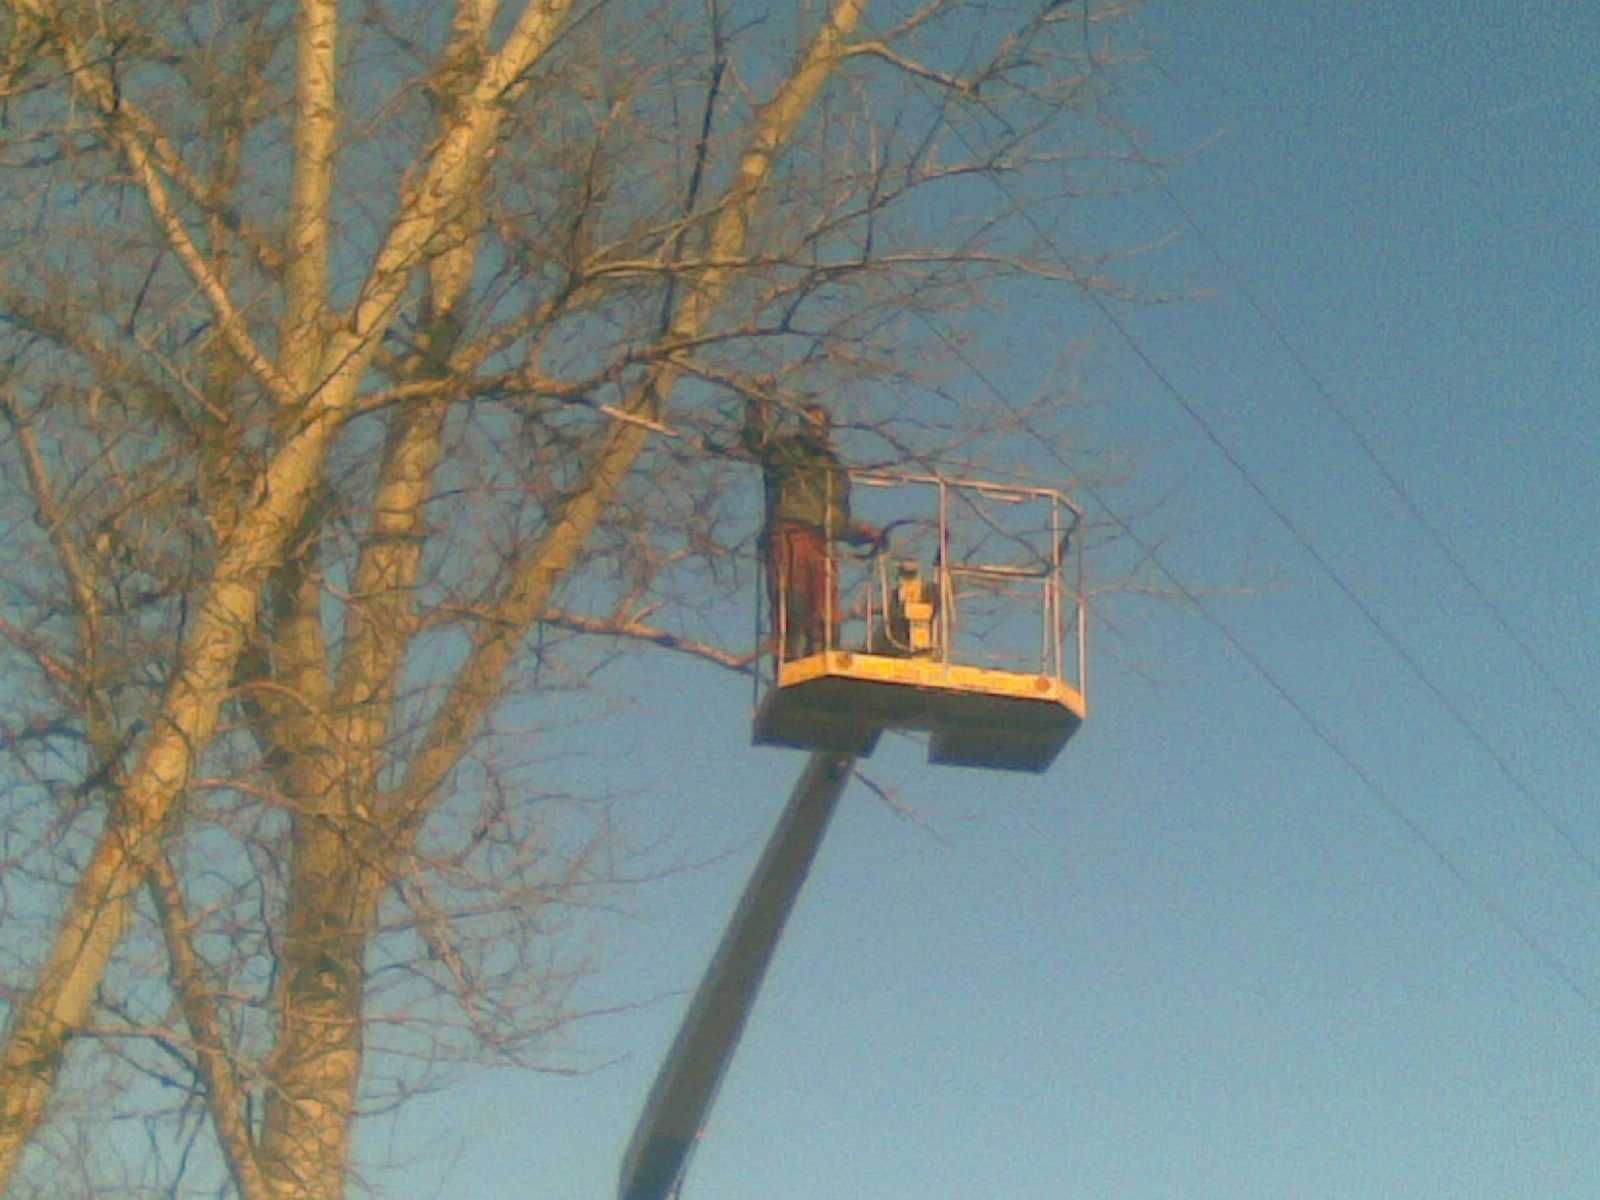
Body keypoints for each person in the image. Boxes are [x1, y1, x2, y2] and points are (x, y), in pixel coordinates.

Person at [743, 398, 879, 659]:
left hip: (821, 544)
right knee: (793, 606)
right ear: (802, 423)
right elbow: (755, 442)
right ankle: (792, 662)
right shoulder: (785, 452)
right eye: (811, 422)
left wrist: (860, 532)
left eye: (821, 424)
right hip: (789, 536)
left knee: (825, 617)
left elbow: (838, 519)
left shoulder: (833, 470)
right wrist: (756, 406)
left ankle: (823, 658)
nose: (816, 428)